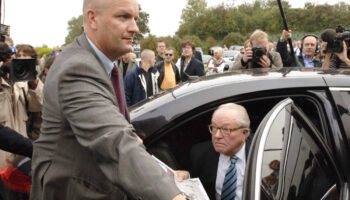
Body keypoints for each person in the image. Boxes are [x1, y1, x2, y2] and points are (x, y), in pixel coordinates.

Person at [30, 0, 185, 199]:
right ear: (93, 18)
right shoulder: (77, 68)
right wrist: (172, 195)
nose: (135, 28)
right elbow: (114, 141)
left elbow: (119, 131)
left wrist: (165, 176)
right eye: (123, 17)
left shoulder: (108, 63)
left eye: (135, 19)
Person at [186, 103, 251, 199]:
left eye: (226, 129)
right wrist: (186, 176)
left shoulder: (261, 152)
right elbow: (193, 183)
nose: (217, 136)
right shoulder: (200, 153)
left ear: (244, 133)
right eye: (214, 128)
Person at [0, 42, 43, 168]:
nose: (10, 61)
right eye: (5, 57)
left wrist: (34, 84)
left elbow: (38, 107)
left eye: (12, 56)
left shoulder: (21, 84)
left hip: (20, 155)